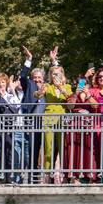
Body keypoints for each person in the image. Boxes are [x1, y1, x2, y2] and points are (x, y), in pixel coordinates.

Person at [39, 53, 73, 183]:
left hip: (62, 118)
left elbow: (70, 98)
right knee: (48, 147)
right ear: (50, 76)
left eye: (58, 74)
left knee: (63, 146)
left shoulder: (68, 87)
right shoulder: (47, 86)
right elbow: (37, 95)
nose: (56, 76)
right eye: (53, 74)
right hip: (48, 117)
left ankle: (62, 175)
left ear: (63, 75)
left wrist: (61, 88)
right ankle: (46, 175)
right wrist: (40, 92)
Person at [0, 72, 21, 183]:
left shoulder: (11, 95)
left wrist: (5, 104)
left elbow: (16, 108)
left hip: (9, 128)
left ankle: (9, 178)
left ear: (6, 83)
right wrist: (5, 104)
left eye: (3, 82)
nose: (1, 85)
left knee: (9, 151)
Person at [18, 46, 47, 182]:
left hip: (46, 122)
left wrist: (54, 61)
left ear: (44, 79)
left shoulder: (48, 87)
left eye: (40, 78)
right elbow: (22, 76)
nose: (37, 80)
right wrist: (28, 60)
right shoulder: (29, 85)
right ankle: (32, 177)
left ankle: (50, 177)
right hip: (31, 120)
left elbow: (59, 77)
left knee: (45, 149)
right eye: (35, 78)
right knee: (31, 149)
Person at [65, 70, 97, 183]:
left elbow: (95, 106)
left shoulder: (91, 94)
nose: (83, 86)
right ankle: (74, 177)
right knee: (74, 150)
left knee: (88, 150)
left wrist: (88, 94)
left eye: (85, 83)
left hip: (88, 125)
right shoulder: (73, 95)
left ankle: (90, 177)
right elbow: (70, 106)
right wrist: (77, 92)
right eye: (81, 83)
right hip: (75, 124)